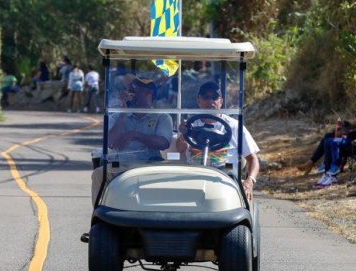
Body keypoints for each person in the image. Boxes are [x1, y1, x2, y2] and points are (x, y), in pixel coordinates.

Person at [90, 77, 173, 206]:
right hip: (121, 165)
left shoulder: (161, 117)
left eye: (135, 88)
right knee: (99, 174)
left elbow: (163, 143)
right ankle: (100, 213)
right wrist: (124, 113)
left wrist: (134, 134)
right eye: (129, 89)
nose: (129, 92)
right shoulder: (117, 116)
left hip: (147, 164)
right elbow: (109, 142)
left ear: (148, 92)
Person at [175, 81, 260, 200]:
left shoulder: (235, 126)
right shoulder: (190, 125)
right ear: (198, 101)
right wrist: (184, 133)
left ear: (221, 101)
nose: (210, 101)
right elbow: (180, 149)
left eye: (214, 97)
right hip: (195, 173)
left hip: (226, 176)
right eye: (205, 97)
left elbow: (253, 159)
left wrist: (250, 181)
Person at [297, 94, 356, 174]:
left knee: (332, 139)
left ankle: (322, 164)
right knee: (329, 136)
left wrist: (343, 128)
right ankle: (316, 162)